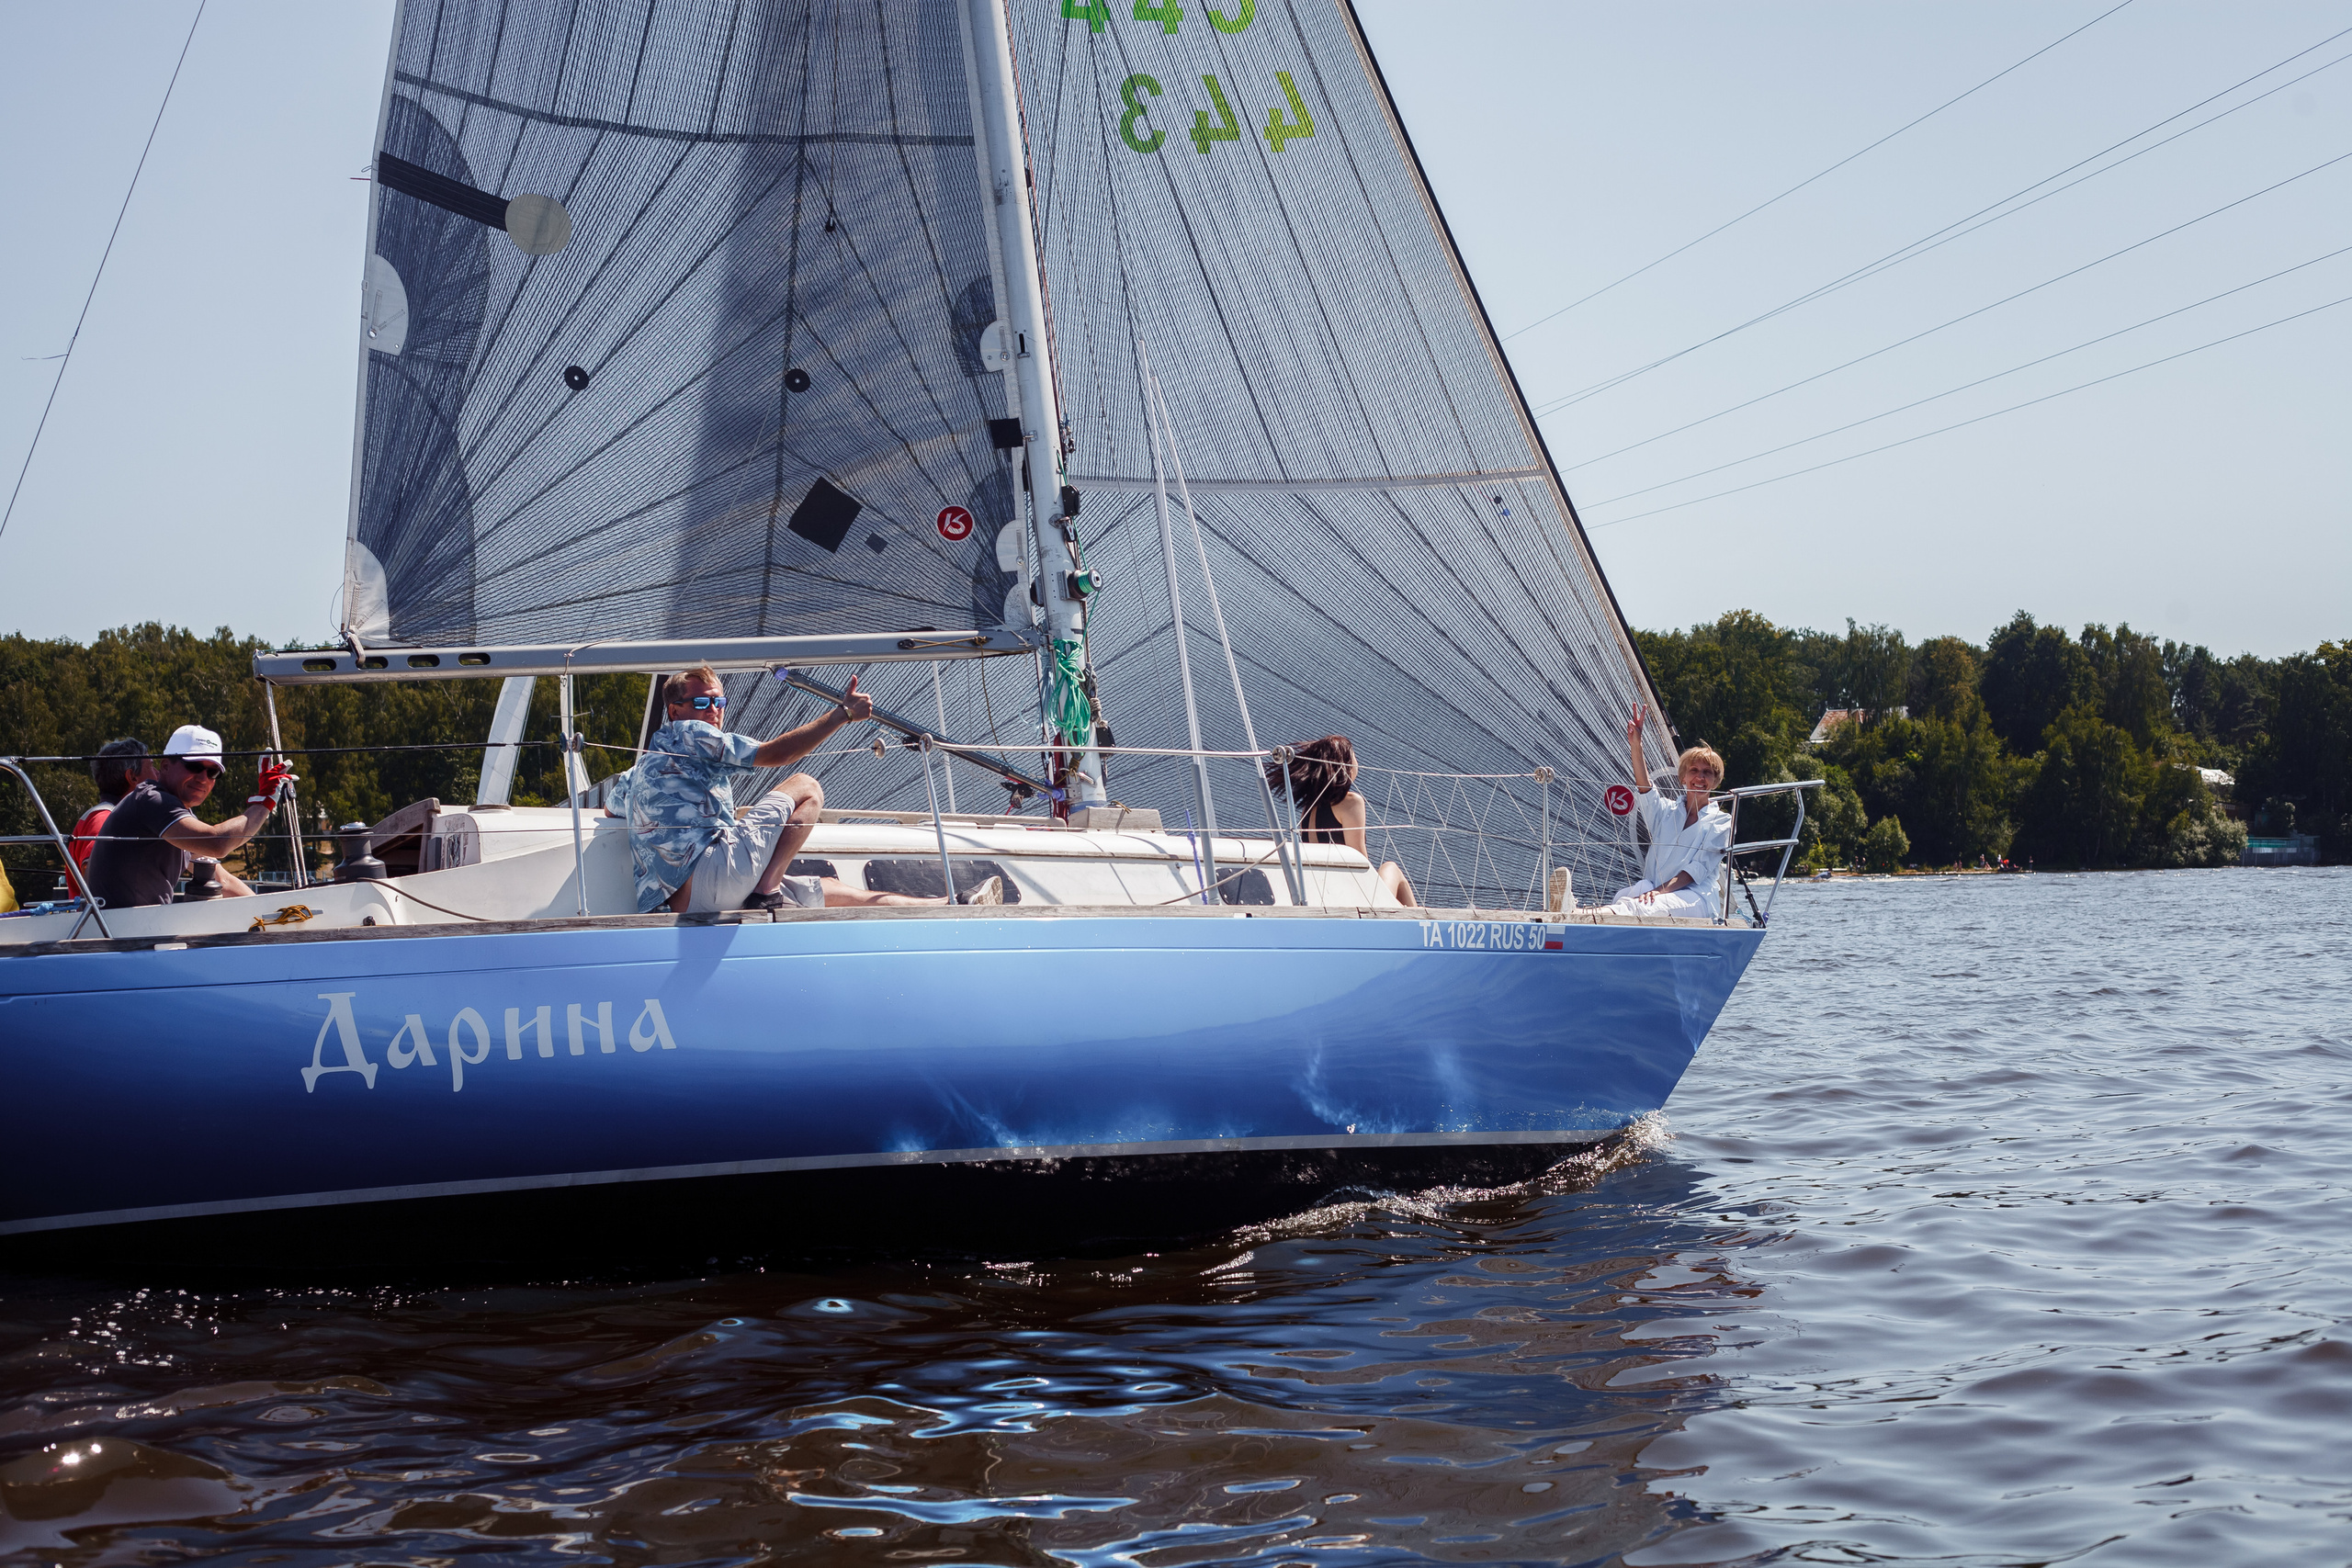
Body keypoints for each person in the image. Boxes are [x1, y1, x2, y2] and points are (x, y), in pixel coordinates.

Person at [609, 666, 1000, 914]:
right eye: (701, 702)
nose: (714, 711)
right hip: (715, 877)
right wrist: (841, 715)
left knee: (829, 889)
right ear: (674, 710)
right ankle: (767, 887)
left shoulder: (639, 770)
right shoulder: (691, 732)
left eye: (720, 702)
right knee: (806, 786)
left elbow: (612, 811)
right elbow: (773, 754)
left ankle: (950, 904)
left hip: (682, 903)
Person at [85, 725, 292, 908]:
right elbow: (217, 843)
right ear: (165, 766)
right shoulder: (151, 799)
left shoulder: (177, 815)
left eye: (213, 773)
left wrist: (268, 912)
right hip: (119, 933)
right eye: (194, 766)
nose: (203, 778)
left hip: (135, 927)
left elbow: (222, 880)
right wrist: (265, 800)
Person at [1599, 705, 1731, 920]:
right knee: (1623, 896)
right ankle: (1579, 913)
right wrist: (1636, 745)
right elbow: (1645, 788)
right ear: (1683, 778)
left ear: (1715, 781)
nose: (1700, 778)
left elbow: (1695, 871)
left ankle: (1581, 915)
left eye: (1708, 773)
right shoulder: (1666, 811)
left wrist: (1659, 892)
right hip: (1658, 891)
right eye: (1694, 771)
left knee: (1645, 906)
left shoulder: (1722, 822)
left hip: (1695, 897)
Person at [1266, 736, 1416, 906]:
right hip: (1355, 893)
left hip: (1327, 893)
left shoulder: (1308, 809)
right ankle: (1420, 921)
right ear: (1345, 763)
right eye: (1354, 755)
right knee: (1391, 868)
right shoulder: (1351, 802)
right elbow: (1359, 860)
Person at [68, 739, 156, 872]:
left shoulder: (110, 817)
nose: (158, 773)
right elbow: (92, 871)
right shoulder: (104, 819)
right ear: (132, 777)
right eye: (151, 766)